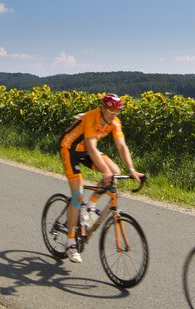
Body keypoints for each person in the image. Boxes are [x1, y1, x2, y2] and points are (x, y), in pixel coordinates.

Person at [59, 93, 143, 263]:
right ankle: (70, 242)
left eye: (116, 112)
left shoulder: (115, 122)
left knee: (115, 171)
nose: (114, 115)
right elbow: (91, 147)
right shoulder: (91, 117)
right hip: (70, 149)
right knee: (78, 194)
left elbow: (121, 145)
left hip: (87, 151)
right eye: (111, 112)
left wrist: (132, 170)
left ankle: (89, 207)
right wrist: (105, 171)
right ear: (103, 108)